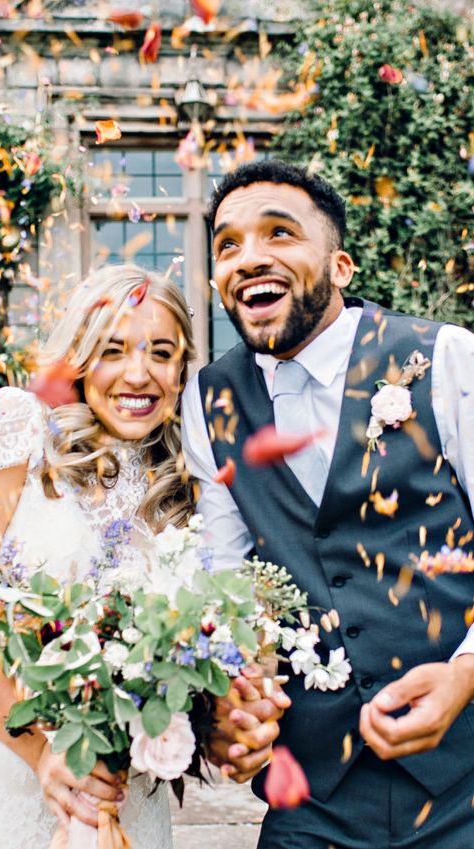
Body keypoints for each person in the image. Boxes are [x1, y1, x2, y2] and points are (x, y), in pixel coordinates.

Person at [182, 159, 474, 848]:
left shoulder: (446, 360)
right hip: (311, 796)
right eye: (226, 245)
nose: (248, 257)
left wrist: (465, 674)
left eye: (278, 233)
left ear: (339, 266)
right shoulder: (209, 400)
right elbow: (223, 580)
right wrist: (230, 696)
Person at [0, 264, 197, 848]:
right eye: (113, 350)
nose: (139, 373)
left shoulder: (184, 474)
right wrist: (43, 752)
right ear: (79, 355)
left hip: (119, 789)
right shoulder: (19, 426)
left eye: (161, 352)